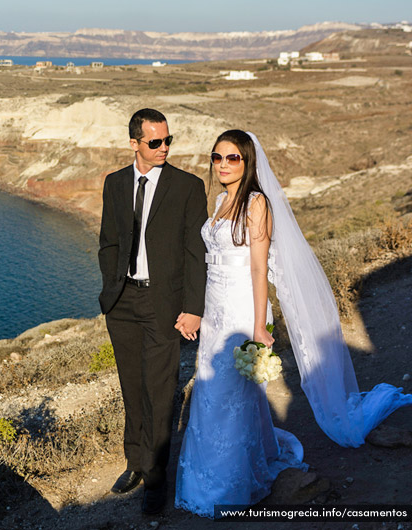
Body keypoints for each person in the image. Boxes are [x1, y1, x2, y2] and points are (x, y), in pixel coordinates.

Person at [175, 130, 412, 518]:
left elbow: (257, 268)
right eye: (217, 157)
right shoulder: (220, 200)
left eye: (233, 158)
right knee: (213, 389)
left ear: (248, 161)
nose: (222, 165)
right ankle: (222, 469)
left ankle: (230, 485)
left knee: (227, 394)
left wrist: (258, 325)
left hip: (240, 307)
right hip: (215, 306)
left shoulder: (256, 204)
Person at [98, 108, 207, 515]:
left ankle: (155, 479)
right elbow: (109, 241)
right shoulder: (114, 183)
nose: (163, 148)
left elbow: (197, 254)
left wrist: (193, 308)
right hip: (122, 302)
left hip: (164, 304)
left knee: (160, 391)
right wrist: (110, 288)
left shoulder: (188, 186)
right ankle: (134, 462)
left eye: (167, 141)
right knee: (131, 384)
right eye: (154, 142)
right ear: (134, 144)